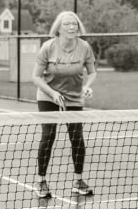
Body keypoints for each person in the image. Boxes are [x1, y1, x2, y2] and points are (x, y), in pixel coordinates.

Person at [30, 10, 97, 199]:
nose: (71, 27)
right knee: (49, 135)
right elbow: (35, 77)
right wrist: (52, 93)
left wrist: (87, 87)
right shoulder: (48, 47)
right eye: (67, 24)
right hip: (48, 95)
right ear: (59, 28)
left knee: (77, 138)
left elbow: (92, 72)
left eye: (74, 23)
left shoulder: (84, 47)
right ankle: (41, 181)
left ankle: (78, 181)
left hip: (74, 97)